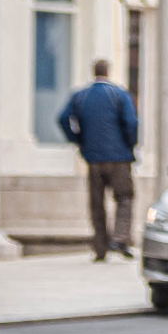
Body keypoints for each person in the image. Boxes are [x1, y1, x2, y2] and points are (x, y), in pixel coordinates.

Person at [57, 59, 140, 261]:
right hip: (119, 158)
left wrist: (78, 141)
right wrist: (130, 145)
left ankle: (100, 247)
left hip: (93, 158)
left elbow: (63, 118)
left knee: (97, 204)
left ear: (93, 72)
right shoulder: (119, 94)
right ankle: (120, 238)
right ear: (108, 72)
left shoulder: (81, 95)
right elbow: (131, 122)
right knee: (124, 198)